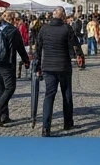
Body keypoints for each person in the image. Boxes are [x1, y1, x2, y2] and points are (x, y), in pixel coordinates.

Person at [35, 8, 83, 136]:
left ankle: (46, 127)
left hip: (48, 67)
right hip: (63, 66)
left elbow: (38, 48)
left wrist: (37, 65)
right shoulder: (67, 28)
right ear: (63, 17)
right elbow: (76, 44)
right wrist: (80, 56)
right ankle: (67, 122)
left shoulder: (44, 29)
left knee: (49, 96)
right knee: (66, 94)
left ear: (52, 15)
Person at [0, 10, 30, 127]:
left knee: (2, 89)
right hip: (7, 63)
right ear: (12, 19)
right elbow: (20, 48)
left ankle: (4, 116)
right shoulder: (13, 31)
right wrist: (26, 61)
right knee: (10, 88)